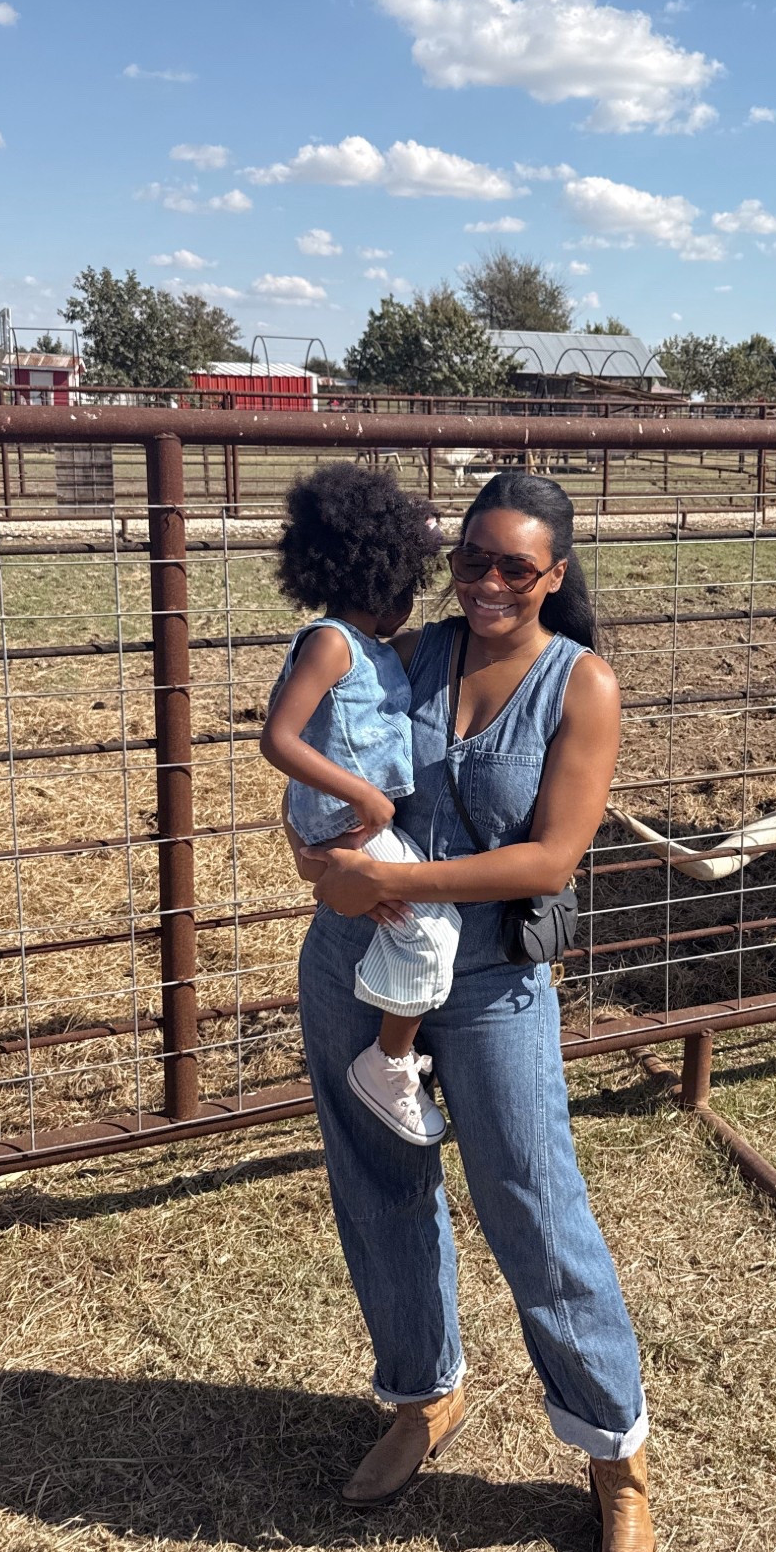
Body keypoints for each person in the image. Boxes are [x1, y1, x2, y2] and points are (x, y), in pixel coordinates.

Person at [288, 470, 655, 1552]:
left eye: (516, 567)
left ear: (555, 575)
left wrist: (394, 877)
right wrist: (316, 858)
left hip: (494, 976)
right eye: (473, 559)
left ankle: (615, 1451)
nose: (488, 583)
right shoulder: (400, 652)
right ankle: (420, 1395)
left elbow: (550, 860)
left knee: (531, 1201)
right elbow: (327, 761)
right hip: (361, 960)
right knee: (379, 1183)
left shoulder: (579, 685)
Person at [262, 463, 461, 1146]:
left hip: (354, 817)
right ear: (380, 581)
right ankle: (389, 1062)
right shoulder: (330, 643)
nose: (409, 604)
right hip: (350, 817)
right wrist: (364, 798)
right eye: (406, 588)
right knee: (429, 934)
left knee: (416, 918)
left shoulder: (367, 649)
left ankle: (390, 1038)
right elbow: (279, 739)